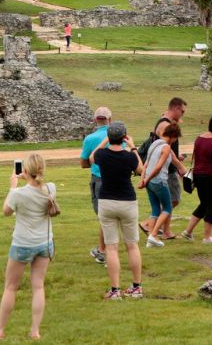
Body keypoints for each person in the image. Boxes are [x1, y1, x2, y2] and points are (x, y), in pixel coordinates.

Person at [0, 154, 55, 341]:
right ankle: (35, 331)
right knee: (38, 286)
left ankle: (0, 330)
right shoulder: (50, 188)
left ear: (25, 171)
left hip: (23, 243)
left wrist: (12, 187)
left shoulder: (18, 194)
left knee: (10, 287)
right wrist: (28, 179)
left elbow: (6, 212)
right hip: (44, 242)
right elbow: (38, 187)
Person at [90, 122, 145, 300]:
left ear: (109, 137)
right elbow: (140, 169)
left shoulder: (102, 154)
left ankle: (115, 290)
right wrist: (133, 147)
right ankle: (137, 287)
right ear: (123, 137)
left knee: (111, 248)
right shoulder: (128, 156)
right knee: (132, 245)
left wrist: (105, 141)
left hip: (107, 201)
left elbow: (92, 157)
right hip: (127, 201)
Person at [140, 97, 187, 238]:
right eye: (182, 112)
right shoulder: (165, 125)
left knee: (171, 199)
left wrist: (177, 158)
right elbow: (165, 147)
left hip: (168, 166)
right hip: (168, 169)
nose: (183, 115)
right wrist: (180, 165)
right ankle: (149, 224)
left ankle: (165, 230)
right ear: (176, 108)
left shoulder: (164, 121)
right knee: (173, 199)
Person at [182, 116, 212, 243]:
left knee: (204, 204)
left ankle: (188, 232)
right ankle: (207, 237)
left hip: (198, 176)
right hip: (210, 178)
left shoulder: (199, 139)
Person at [80, 107, 112, 264]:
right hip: (115, 178)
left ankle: (102, 250)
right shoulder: (117, 136)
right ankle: (104, 248)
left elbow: (83, 162)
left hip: (98, 178)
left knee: (103, 217)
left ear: (95, 120)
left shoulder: (90, 139)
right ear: (110, 119)